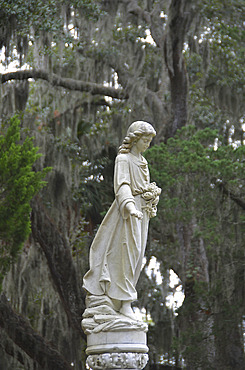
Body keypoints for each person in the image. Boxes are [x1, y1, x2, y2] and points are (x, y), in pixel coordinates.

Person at [83, 121, 161, 320]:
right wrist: (130, 206)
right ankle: (124, 303)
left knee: (136, 257)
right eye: (145, 140)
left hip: (141, 215)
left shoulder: (142, 161)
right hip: (127, 213)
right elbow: (122, 186)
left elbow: (143, 188)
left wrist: (151, 196)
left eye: (149, 141)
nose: (147, 145)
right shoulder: (123, 159)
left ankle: (124, 302)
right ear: (134, 139)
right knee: (125, 255)